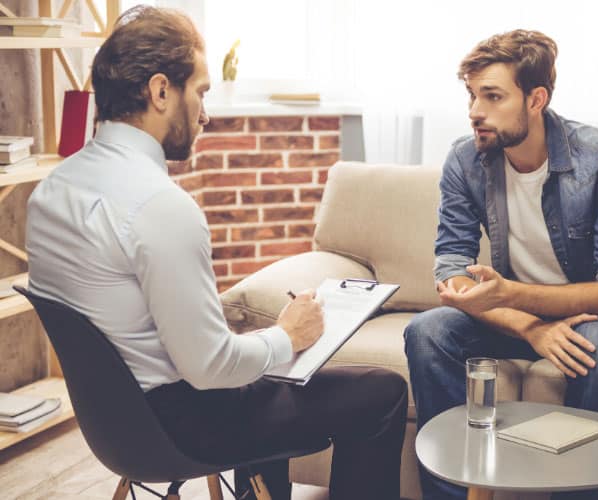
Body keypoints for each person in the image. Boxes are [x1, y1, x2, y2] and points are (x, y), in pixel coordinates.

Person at [25, 7, 406, 500]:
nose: (206, 113)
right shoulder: (160, 207)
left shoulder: (50, 192)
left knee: (271, 378)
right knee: (382, 392)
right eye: (201, 91)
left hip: (111, 430)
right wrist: (287, 336)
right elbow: (211, 369)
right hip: (183, 428)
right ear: (161, 91)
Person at [404, 30, 598, 500]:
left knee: (597, 343)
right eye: (471, 95)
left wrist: (511, 295)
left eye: (493, 96)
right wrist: (529, 326)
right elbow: (451, 270)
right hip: (516, 318)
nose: (474, 111)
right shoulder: (465, 159)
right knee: (426, 331)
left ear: (535, 98)